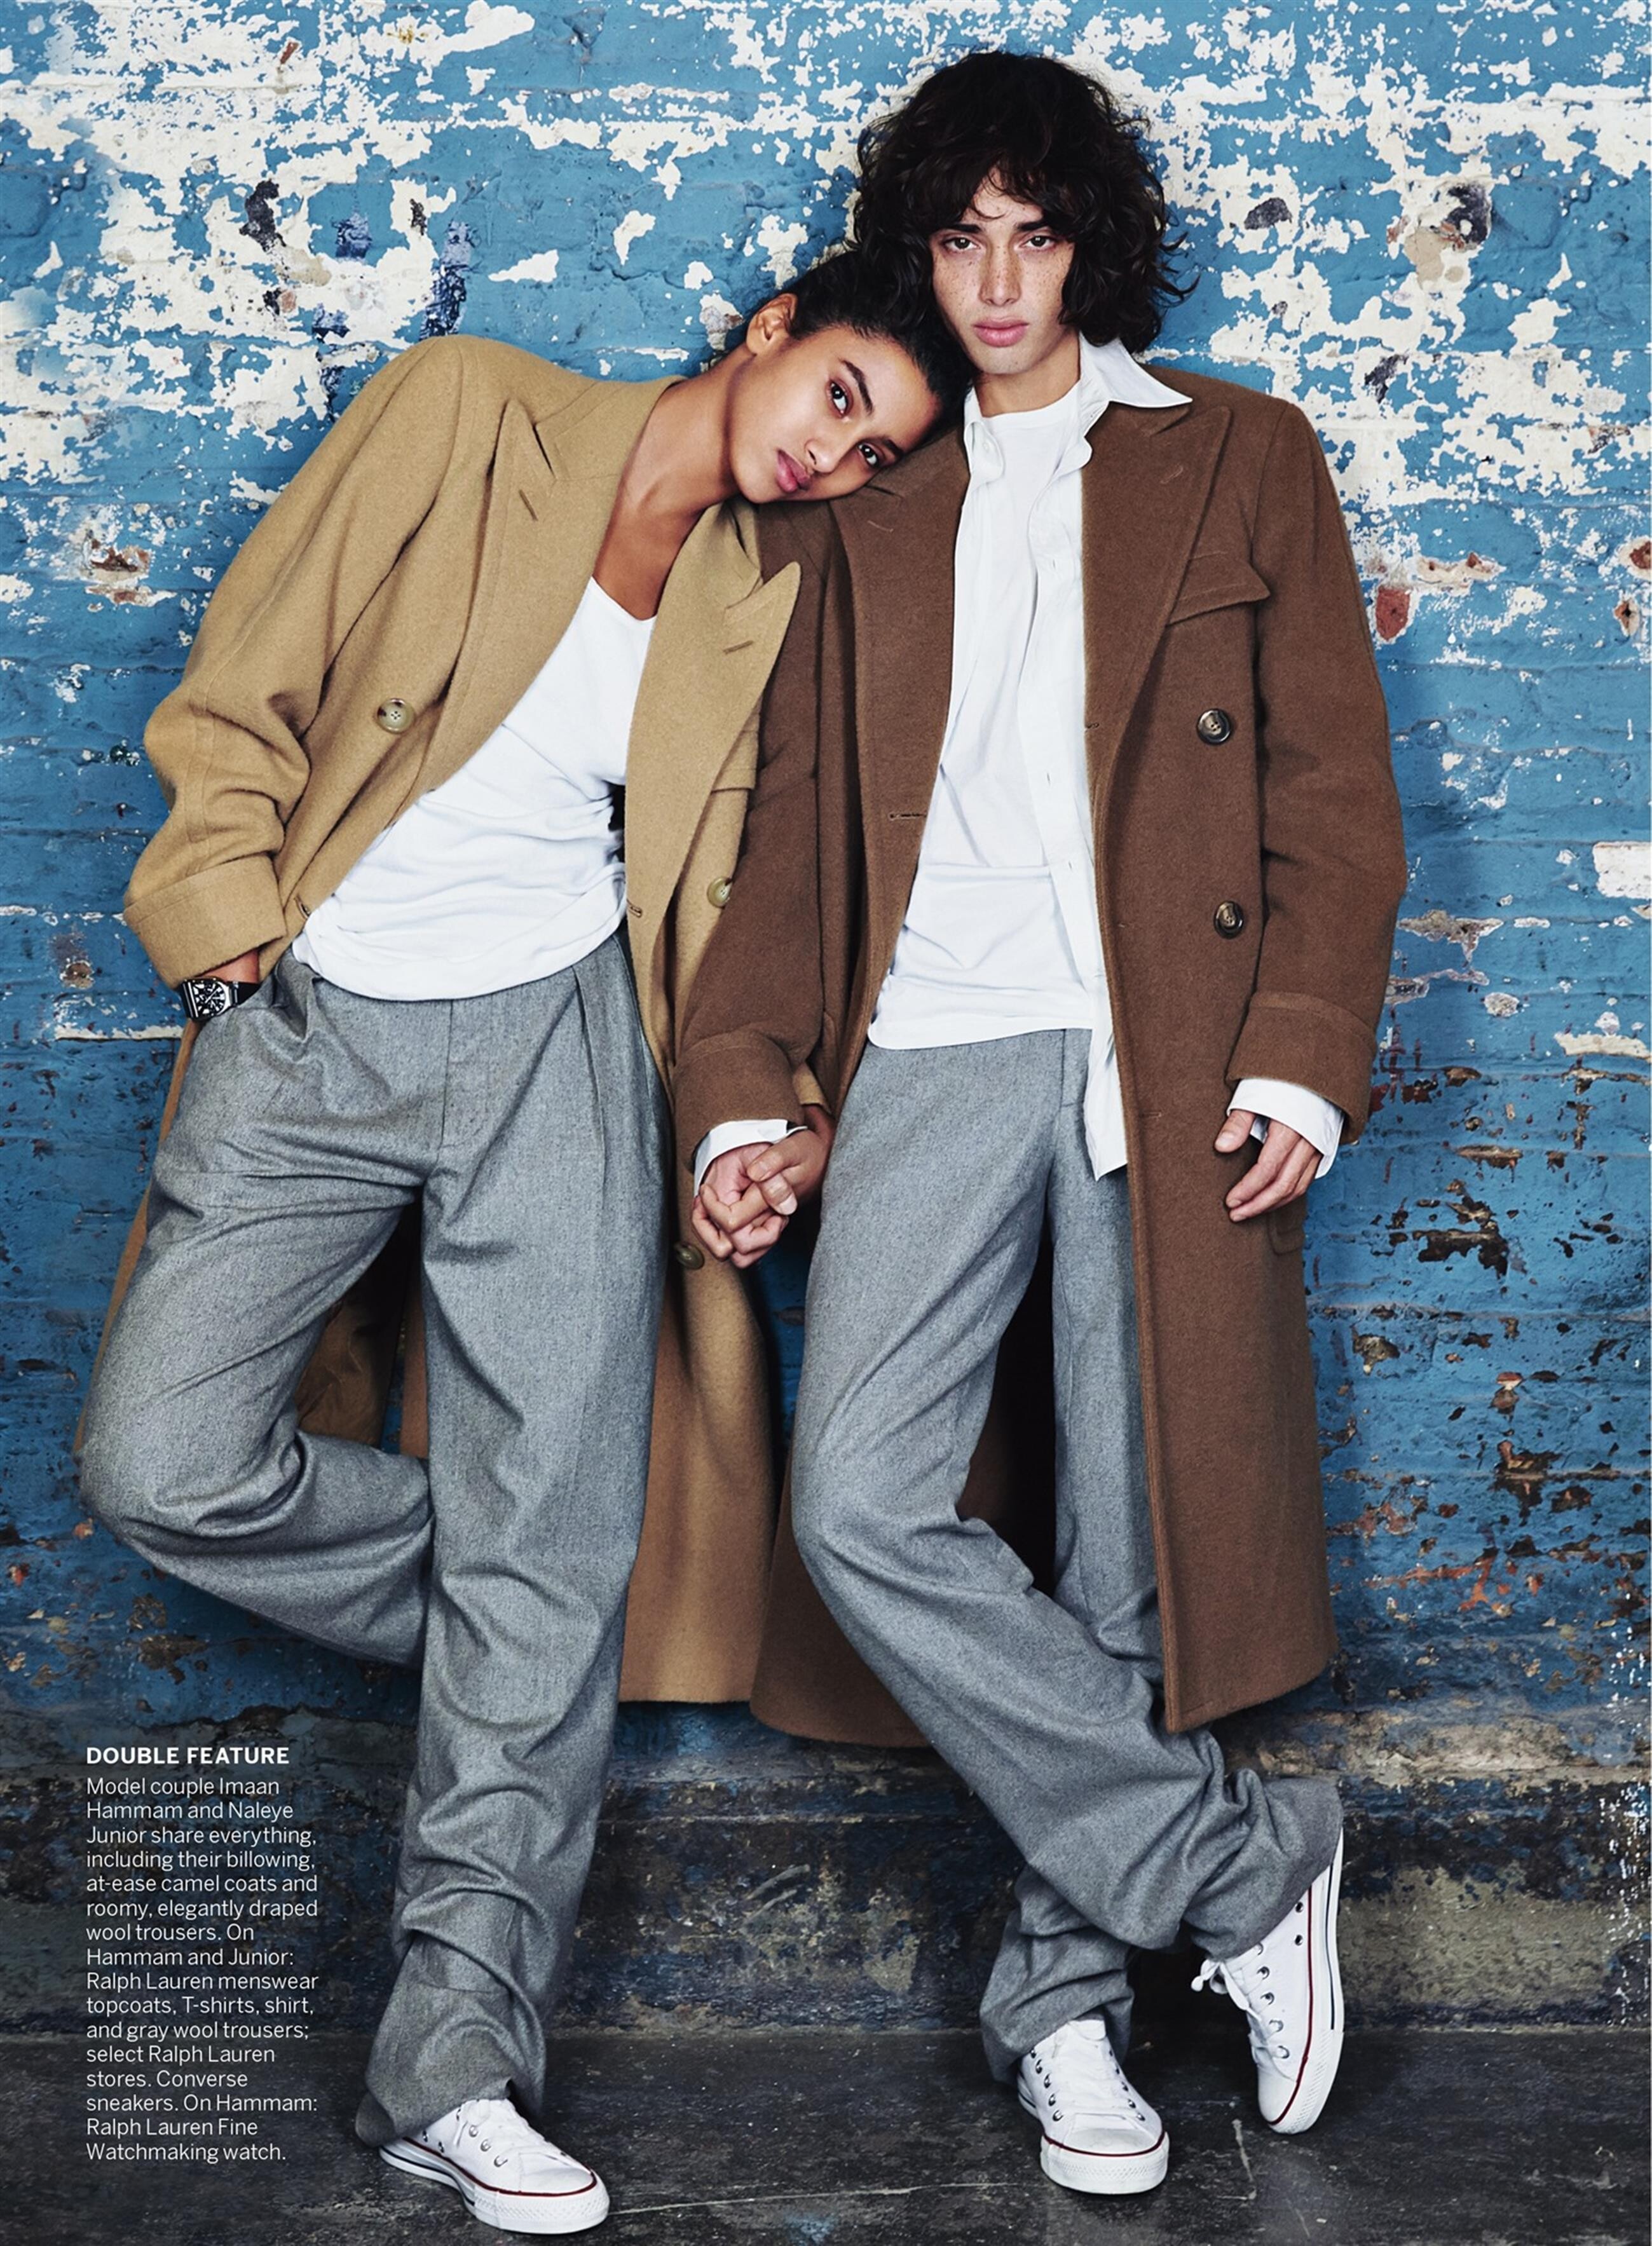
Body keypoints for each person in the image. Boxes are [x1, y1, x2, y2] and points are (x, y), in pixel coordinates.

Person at [78, 250, 962, 2236]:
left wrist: (756, 1115)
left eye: (875, 451)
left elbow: (753, 893)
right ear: (769, 332)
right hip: (316, 1015)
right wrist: (229, 945)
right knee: (163, 1464)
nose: (834, 458)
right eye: (839, 396)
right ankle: (530, 1611)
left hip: (564, 1048)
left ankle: (452, 2071)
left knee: (547, 1545)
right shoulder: (472, 407)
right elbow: (248, 667)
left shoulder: (769, 592)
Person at [678, 51, 1407, 2198]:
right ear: (919, 253)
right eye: (959, 239)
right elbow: (794, 824)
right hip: (931, 1042)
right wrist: (742, 1083)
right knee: (861, 1506)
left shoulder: (1237, 453)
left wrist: (1299, 1049)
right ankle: (1246, 1867)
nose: (997, 282)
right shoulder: (872, 498)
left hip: (1167, 1055)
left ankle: (1063, 2019)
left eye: (1035, 234)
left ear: (1093, 244)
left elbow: (1331, 785)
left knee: (1124, 1557)